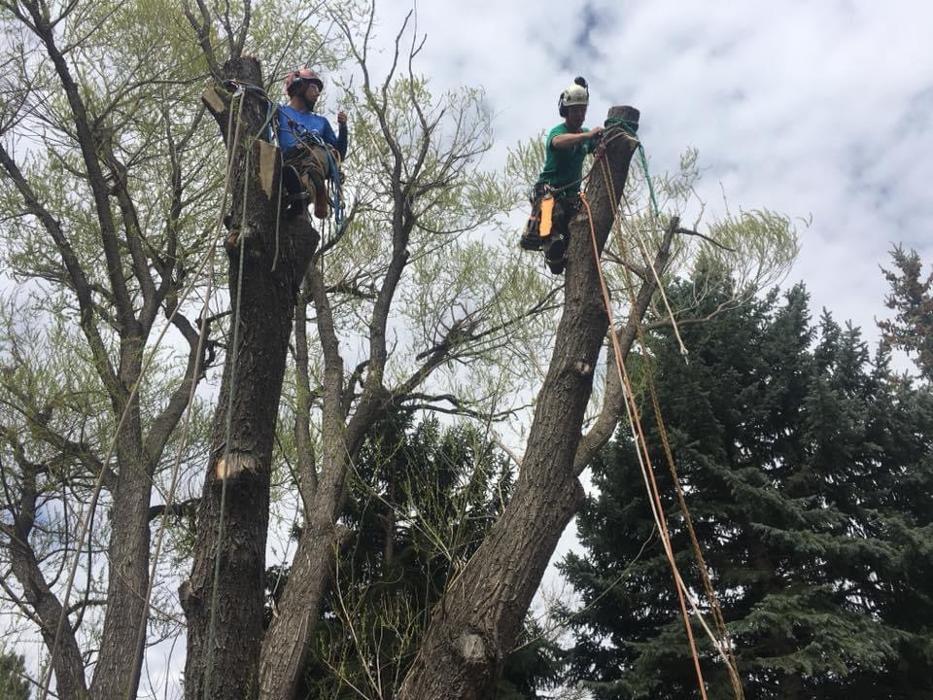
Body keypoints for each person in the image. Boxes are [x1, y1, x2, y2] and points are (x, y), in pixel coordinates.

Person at [522, 76, 604, 274]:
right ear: (565, 112)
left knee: (575, 234)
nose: (580, 115)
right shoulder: (559, 132)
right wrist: (587, 135)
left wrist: (601, 145)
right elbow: (558, 142)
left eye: (582, 110)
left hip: (572, 198)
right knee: (552, 215)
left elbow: (597, 148)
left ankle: (559, 255)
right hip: (551, 191)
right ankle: (551, 245)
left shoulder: (585, 136)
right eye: (575, 110)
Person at [277, 68, 349, 220]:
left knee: (318, 155)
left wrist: (343, 128)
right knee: (292, 172)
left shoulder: (321, 122)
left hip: (316, 159)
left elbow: (339, 154)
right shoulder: (279, 112)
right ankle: (302, 195)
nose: (317, 93)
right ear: (299, 86)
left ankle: (311, 192)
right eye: (313, 88)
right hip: (291, 160)